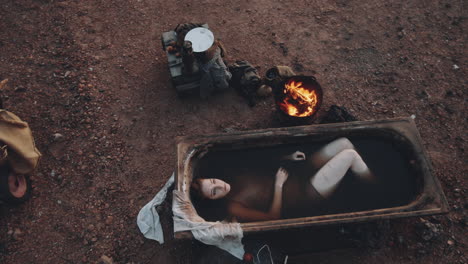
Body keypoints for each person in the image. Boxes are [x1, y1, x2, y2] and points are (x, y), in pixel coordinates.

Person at [191, 138, 374, 222]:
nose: (220, 186)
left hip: (301, 173)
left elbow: (263, 167)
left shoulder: (231, 176)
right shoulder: (234, 207)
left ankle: (360, 174)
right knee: (350, 155)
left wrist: (288, 157)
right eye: (214, 192)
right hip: (308, 193)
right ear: (212, 200)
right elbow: (273, 217)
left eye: (214, 181)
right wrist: (278, 186)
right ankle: (374, 185)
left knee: (344, 143)